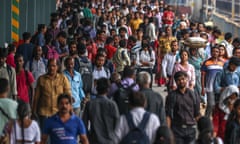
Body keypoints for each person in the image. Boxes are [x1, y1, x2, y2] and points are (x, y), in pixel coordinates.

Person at [33, 58, 71, 130]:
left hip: (58, 113)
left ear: (57, 67)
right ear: (47, 67)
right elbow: (36, 96)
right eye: (50, 66)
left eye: (53, 66)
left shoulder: (63, 78)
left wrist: (69, 111)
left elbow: (68, 95)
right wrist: (33, 111)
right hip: (44, 113)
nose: (51, 68)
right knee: (45, 137)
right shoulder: (41, 79)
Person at [166, 71, 201, 144]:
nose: (181, 81)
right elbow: (168, 115)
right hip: (177, 130)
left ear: (187, 79)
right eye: (178, 80)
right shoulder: (172, 96)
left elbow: (197, 114)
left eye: (183, 79)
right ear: (175, 82)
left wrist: (203, 129)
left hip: (191, 129)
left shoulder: (194, 94)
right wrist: (168, 132)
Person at [82, 78, 119, 144]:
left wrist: (88, 137)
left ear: (96, 89)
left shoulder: (90, 104)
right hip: (109, 140)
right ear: (108, 89)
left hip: (94, 139)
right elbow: (117, 124)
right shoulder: (112, 104)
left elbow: (84, 123)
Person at [201, 46, 224, 117]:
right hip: (209, 87)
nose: (215, 53)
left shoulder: (222, 63)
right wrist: (202, 88)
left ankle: (214, 121)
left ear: (219, 53)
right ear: (211, 52)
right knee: (211, 104)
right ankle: (206, 119)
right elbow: (203, 76)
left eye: (217, 51)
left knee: (217, 105)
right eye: (213, 51)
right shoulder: (206, 62)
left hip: (219, 88)